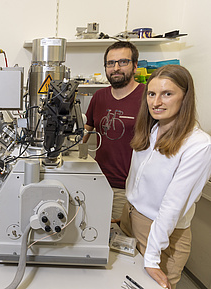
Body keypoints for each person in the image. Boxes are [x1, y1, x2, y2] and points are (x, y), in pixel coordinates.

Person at [120, 65, 211, 289]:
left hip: (162, 236)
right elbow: (137, 180)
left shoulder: (198, 144)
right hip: (131, 218)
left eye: (167, 94)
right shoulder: (150, 130)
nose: (156, 102)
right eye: (151, 94)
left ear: (185, 97)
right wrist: (128, 213)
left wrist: (151, 258)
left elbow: (173, 205)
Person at [84, 41, 145, 221]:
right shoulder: (99, 97)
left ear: (135, 66)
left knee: (121, 242)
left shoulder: (147, 96)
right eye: (111, 63)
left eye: (122, 62)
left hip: (129, 188)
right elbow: (84, 133)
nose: (116, 68)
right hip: (99, 182)